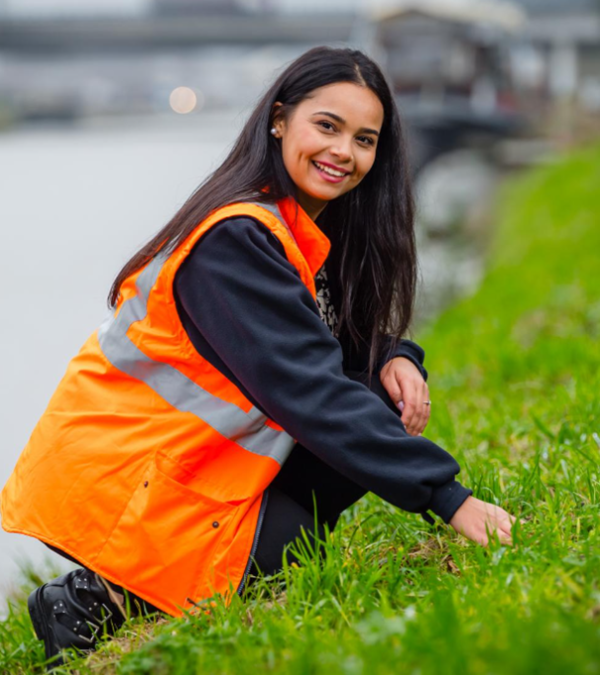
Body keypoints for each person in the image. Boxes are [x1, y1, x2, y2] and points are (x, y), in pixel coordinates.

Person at [1, 46, 515, 669]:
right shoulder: (235, 240)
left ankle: (133, 591)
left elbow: (327, 342)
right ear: (279, 120)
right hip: (136, 489)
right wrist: (450, 499)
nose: (344, 153)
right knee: (293, 552)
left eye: (364, 139)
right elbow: (313, 392)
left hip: (185, 472)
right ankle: (89, 601)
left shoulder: (296, 229)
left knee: (379, 399)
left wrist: (395, 353)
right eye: (326, 126)